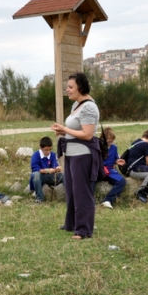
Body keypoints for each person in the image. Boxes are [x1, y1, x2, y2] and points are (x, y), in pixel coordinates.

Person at [51, 72, 101, 239]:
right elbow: (75, 130)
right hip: (71, 154)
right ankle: (71, 223)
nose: (68, 90)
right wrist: (64, 133)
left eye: (71, 87)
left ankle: (84, 230)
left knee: (82, 192)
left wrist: (64, 130)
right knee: (71, 190)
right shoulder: (76, 105)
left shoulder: (88, 107)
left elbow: (87, 134)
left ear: (80, 88)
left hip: (83, 155)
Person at [30, 136, 64, 203]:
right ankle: (39, 198)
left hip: (49, 176)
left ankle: (72, 196)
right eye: (46, 150)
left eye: (50, 149)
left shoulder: (52, 155)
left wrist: (57, 168)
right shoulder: (36, 155)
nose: (48, 152)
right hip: (39, 177)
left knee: (64, 176)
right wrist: (47, 170)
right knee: (36, 174)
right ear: (40, 148)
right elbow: (35, 169)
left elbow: (54, 165)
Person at [98, 128, 126, 209]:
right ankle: (88, 201)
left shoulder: (114, 147)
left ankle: (107, 200)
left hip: (109, 170)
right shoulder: (97, 147)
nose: (110, 143)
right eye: (109, 141)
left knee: (121, 181)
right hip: (99, 169)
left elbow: (115, 158)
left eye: (112, 141)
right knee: (91, 180)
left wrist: (117, 161)